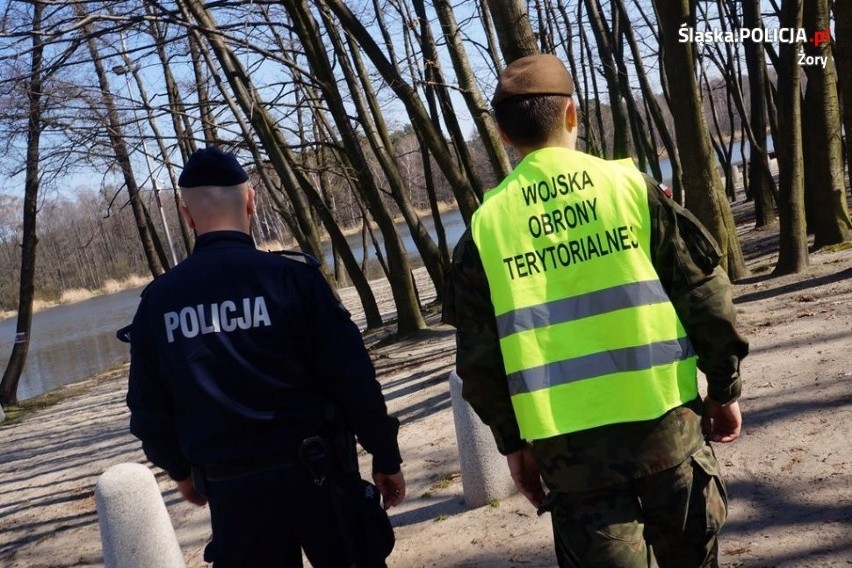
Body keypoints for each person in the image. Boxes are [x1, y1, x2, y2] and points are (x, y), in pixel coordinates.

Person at [442, 54, 748, 567]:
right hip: (667, 430)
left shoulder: (484, 228)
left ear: (502, 135)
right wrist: (724, 388)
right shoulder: (631, 189)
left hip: (569, 455)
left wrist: (512, 443)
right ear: (573, 115)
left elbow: (478, 359)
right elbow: (705, 297)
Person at [126, 147, 405, 567]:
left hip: (233, 495)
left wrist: (180, 472)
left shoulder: (158, 303)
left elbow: (147, 410)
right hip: (321, 480)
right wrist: (385, 455)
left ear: (187, 216)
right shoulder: (293, 280)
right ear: (252, 201)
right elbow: (353, 378)